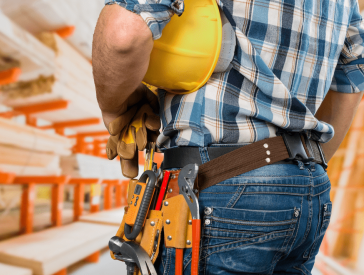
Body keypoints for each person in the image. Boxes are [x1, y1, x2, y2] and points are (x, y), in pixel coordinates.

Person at [92, 0, 364, 274]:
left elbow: (123, 34)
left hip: (222, 188)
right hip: (310, 190)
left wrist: (114, 109)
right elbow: (352, 76)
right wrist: (287, 169)